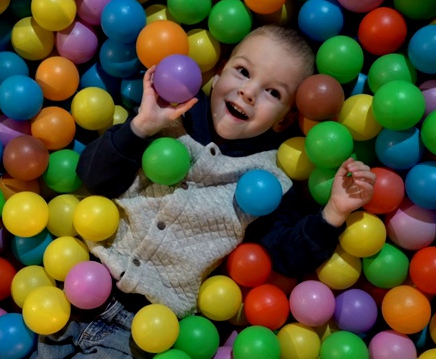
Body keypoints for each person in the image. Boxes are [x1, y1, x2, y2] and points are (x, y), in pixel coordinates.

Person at [33, 24, 376, 358]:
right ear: (219, 73)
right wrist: (139, 128)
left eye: (273, 93)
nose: (249, 92)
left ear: (284, 120)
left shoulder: (270, 177)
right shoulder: (167, 117)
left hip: (142, 327)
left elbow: (287, 255)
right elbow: (92, 176)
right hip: (75, 287)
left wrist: (334, 212)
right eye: (243, 71)